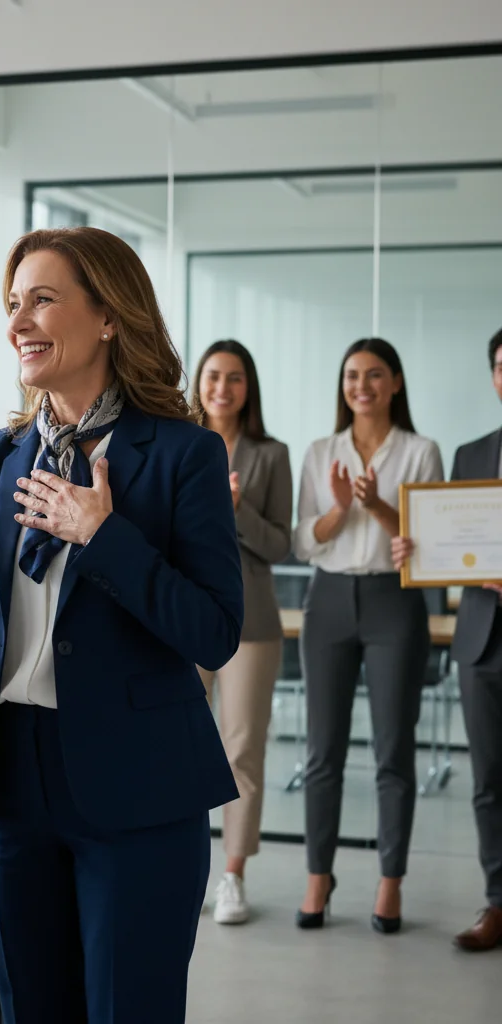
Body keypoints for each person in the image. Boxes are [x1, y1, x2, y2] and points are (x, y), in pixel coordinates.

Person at [0, 227, 243, 1023]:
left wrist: (103, 537)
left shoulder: (184, 455)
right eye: (13, 304)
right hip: (9, 780)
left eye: (41, 299)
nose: (17, 323)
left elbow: (214, 631)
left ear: (109, 316)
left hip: (139, 785)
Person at [293, 337, 443, 934]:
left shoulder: (421, 451)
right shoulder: (320, 451)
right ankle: (317, 877)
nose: (362, 385)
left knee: (393, 750)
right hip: (328, 599)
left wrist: (376, 505)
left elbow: (429, 538)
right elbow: (305, 541)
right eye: (352, 375)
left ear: (396, 383)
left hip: (393, 602)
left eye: (375, 374)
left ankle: (390, 882)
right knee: (322, 751)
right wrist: (340, 510)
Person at [392, 326, 502, 951]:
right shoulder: (471, 455)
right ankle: (498, 902)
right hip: (482, 638)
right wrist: (419, 550)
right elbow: (455, 546)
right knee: (488, 781)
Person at [191, 340, 292, 924]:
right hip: (185, 615)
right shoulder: (178, 442)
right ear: (199, 383)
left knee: (242, 750)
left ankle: (233, 875)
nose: (222, 388)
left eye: (234, 378)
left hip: (251, 621)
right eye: (213, 376)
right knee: (178, 742)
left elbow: (280, 543)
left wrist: (237, 509)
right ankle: (182, 863)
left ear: (248, 387)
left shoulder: (271, 455)